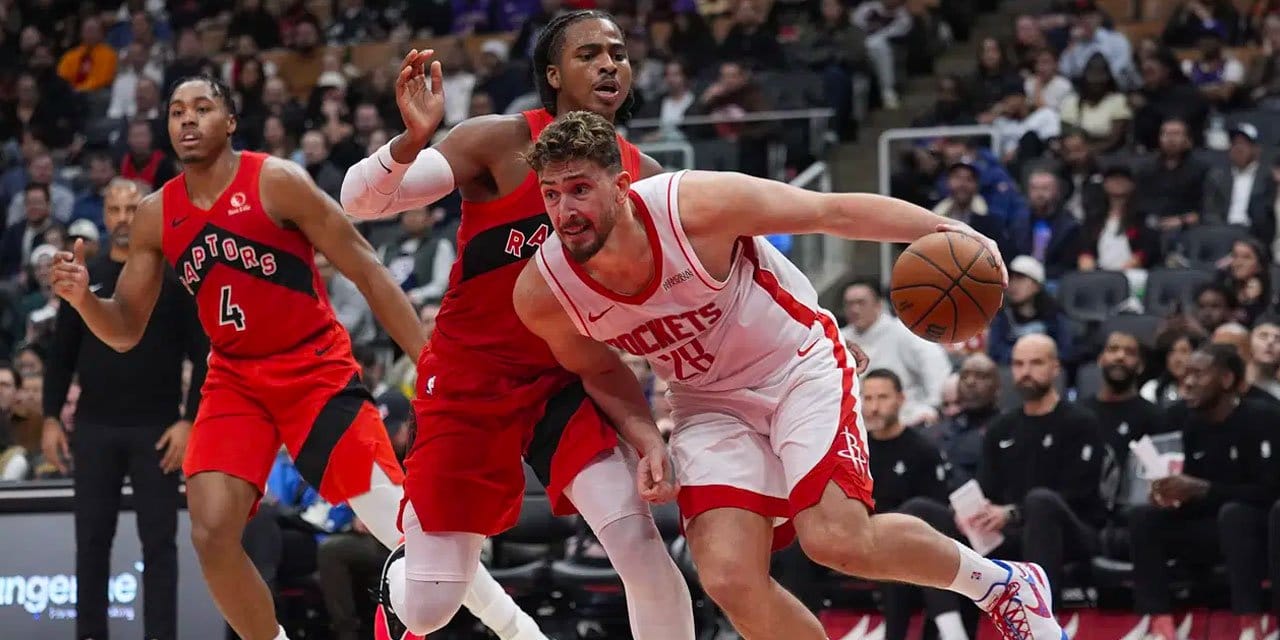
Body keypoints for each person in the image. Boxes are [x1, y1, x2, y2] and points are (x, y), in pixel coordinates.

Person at [512, 110, 1066, 640]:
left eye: (580, 189)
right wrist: (644, 437)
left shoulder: (695, 207)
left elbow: (831, 212)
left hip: (796, 366)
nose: (565, 211)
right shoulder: (543, 292)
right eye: (551, 194)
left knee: (835, 540)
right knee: (729, 579)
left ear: (621, 185)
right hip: (705, 402)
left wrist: (947, 228)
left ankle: (1002, 585)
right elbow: (598, 367)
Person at [48, 75, 540, 640]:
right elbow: (125, 329)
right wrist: (85, 299)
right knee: (210, 532)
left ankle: (518, 630)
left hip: (313, 371)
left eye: (202, 108)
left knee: (410, 530)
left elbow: (366, 269)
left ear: (229, 121)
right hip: (234, 379)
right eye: (177, 111)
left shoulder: (277, 182)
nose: (187, 120)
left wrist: (430, 362)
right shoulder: (157, 215)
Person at [340, 12, 695, 640]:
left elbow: (701, 285)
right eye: (590, 54)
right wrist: (411, 139)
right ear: (553, 74)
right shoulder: (499, 142)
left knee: (640, 548)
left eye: (619, 52)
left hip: (566, 381)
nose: (610, 63)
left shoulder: (648, 178)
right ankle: (401, 578)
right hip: (468, 381)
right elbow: (361, 202)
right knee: (429, 607)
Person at [41, 177, 208, 640]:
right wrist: (52, 416)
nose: (121, 219)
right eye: (113, 210)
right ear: (103, 216)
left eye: (131, 209)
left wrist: (188, 420)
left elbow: (204, 355)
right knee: (91, 545)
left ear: (147, 213)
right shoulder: (85, 278)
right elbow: (60, 357)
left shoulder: (173, 278)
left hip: (157, 428)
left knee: (159, 546)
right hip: (94, 427)